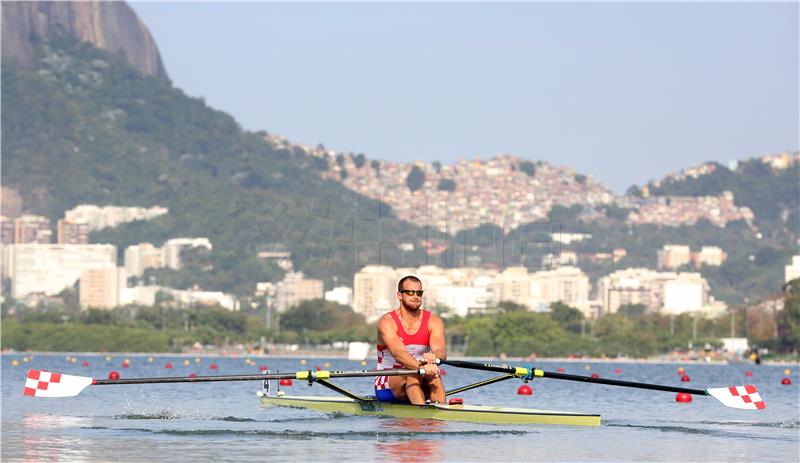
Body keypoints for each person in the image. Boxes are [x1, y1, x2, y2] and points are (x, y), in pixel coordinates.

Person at [374, 275, 446, 405]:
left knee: (434, 375)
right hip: (387, 384)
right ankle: (421, 418)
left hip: (420, 377)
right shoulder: (387, 322)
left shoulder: (434, 321)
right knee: (413, 373)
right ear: (399, 295)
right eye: (410, 292)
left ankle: (441, 418)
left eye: (419, 293)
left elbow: (440, 350)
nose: (416, 296)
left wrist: (434, 360)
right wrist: (421, 367)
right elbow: (398, 354)